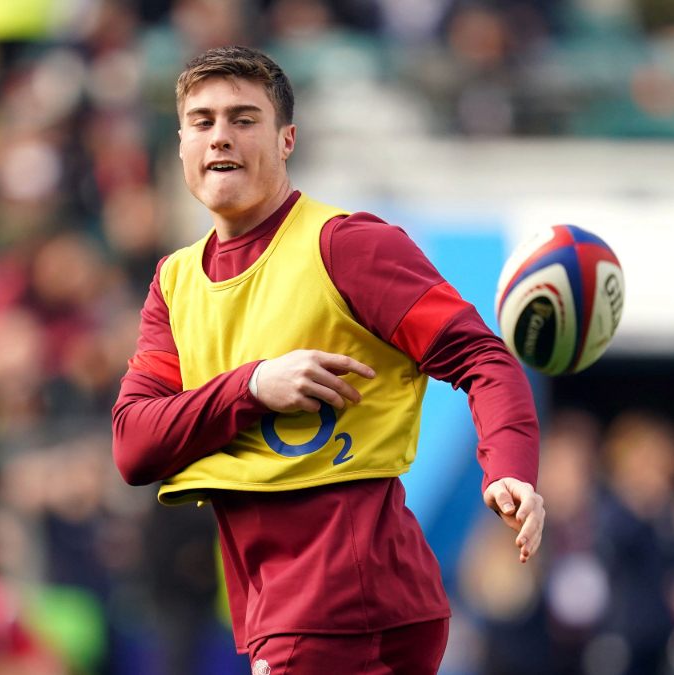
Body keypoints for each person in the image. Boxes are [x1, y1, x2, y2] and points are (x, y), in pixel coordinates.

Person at [111, 45, 542, 674]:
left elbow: (482, 356)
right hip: (287, 601)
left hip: (341, 600)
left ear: (287, 140)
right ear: (180, 144)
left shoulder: (347, 246)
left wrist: (509, 466)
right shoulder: (174, 284)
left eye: (244, 119)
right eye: (202, 122)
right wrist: (254, 386)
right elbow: (134, 443)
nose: (220, 137)